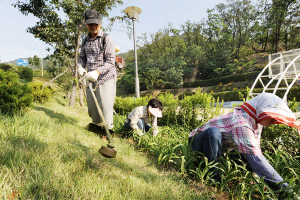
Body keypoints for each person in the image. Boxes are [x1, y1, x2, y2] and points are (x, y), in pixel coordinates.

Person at [188, 92, 300, 191]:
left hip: (219, 147)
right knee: (213, 132)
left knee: (244, 154)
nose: (273, 121)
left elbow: (254, 150)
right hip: (197, 142)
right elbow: (256, 158)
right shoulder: (242, 123)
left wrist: (257, 178)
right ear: (260, 111)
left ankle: (238, 175)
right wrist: (285, 188)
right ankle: (212, 176)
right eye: (271, 116)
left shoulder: (256, 123)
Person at [77, 9, 116, 130]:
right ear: (86, 24)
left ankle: (108, 132)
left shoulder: (106, 38)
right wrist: (80, 67)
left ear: (100, 23)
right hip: (90, 79)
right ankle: (98, 128)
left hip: (106, 78)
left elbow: (110, 61)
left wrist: (97, 71)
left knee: (105, 106)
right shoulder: (85, 40)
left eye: (95, 24)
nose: (93, 26)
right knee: (92, 108)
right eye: (90, 24)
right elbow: (82, 57)